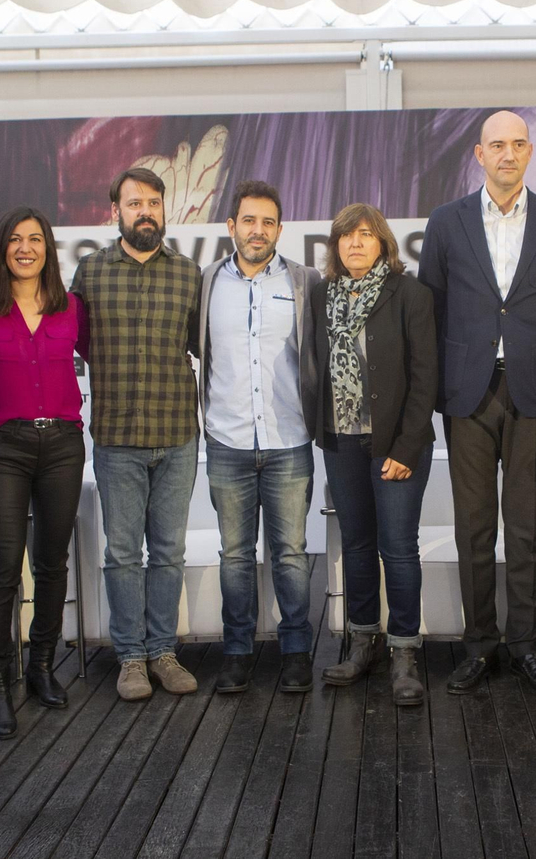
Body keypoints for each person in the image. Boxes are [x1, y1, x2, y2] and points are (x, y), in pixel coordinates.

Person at [418, 110, 536, 698]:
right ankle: (478, 646)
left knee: (526, 528)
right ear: (479, 154)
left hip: (534, 390)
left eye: (518, 144)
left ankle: (526, 646)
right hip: (466, 394)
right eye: (497, 145)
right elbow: (431, 312)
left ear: (531, 152)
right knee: (473, 528)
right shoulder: (446, 222)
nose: (508, 154)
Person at [72, 167, 202, 702]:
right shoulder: (89, 272)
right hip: (117, 438)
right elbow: (76, 345)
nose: (144, 210)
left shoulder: (191, 274)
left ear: (165, 208)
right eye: (133, 203)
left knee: (168, 551)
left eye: (153, 201)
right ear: (115, 212)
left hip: (177, 435)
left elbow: (201, 348)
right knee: (123, 553)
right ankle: (130, 658)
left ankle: (163, 653)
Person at [302, 204, 438, 706]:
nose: (355, 243)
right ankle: (362, 642)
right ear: (335, 245)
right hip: (342, 441)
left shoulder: (410, 294)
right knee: (357, 545)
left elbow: (426, 378)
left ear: (383, 242)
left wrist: (406, 444)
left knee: (397, 547)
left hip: (397, 445)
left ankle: (404, 651)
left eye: (366, 234)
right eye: (346, 236)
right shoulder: (321, 296)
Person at [0, 207, 86, 737]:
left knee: (53, 564)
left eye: (35, 239)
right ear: (1, 248)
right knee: (5, 568)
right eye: (15, 239)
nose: (26, 248)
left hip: (62, 444)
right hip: (3, 448)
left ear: (48, 248)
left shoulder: (70, 307)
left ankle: (40, 668)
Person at [198, 181, 320, 695]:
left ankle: (295, 650)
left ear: (279, 229)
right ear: (231, 226)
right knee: (234, 555)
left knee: (290, 552)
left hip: (289, 439)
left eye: (268, 222)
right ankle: (237, 651)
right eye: (249, 220)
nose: (258, 230)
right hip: (226, 441)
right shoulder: (205, 283)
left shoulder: (305, 280)